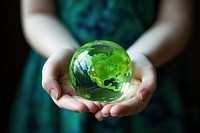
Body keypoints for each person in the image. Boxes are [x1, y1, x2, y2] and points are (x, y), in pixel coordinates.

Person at [8, 0, 193, 132]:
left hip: (151, 68)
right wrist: (66, 50)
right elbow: (37, 13)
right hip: (61, 65)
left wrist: (141, 56)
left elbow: (176, 18)